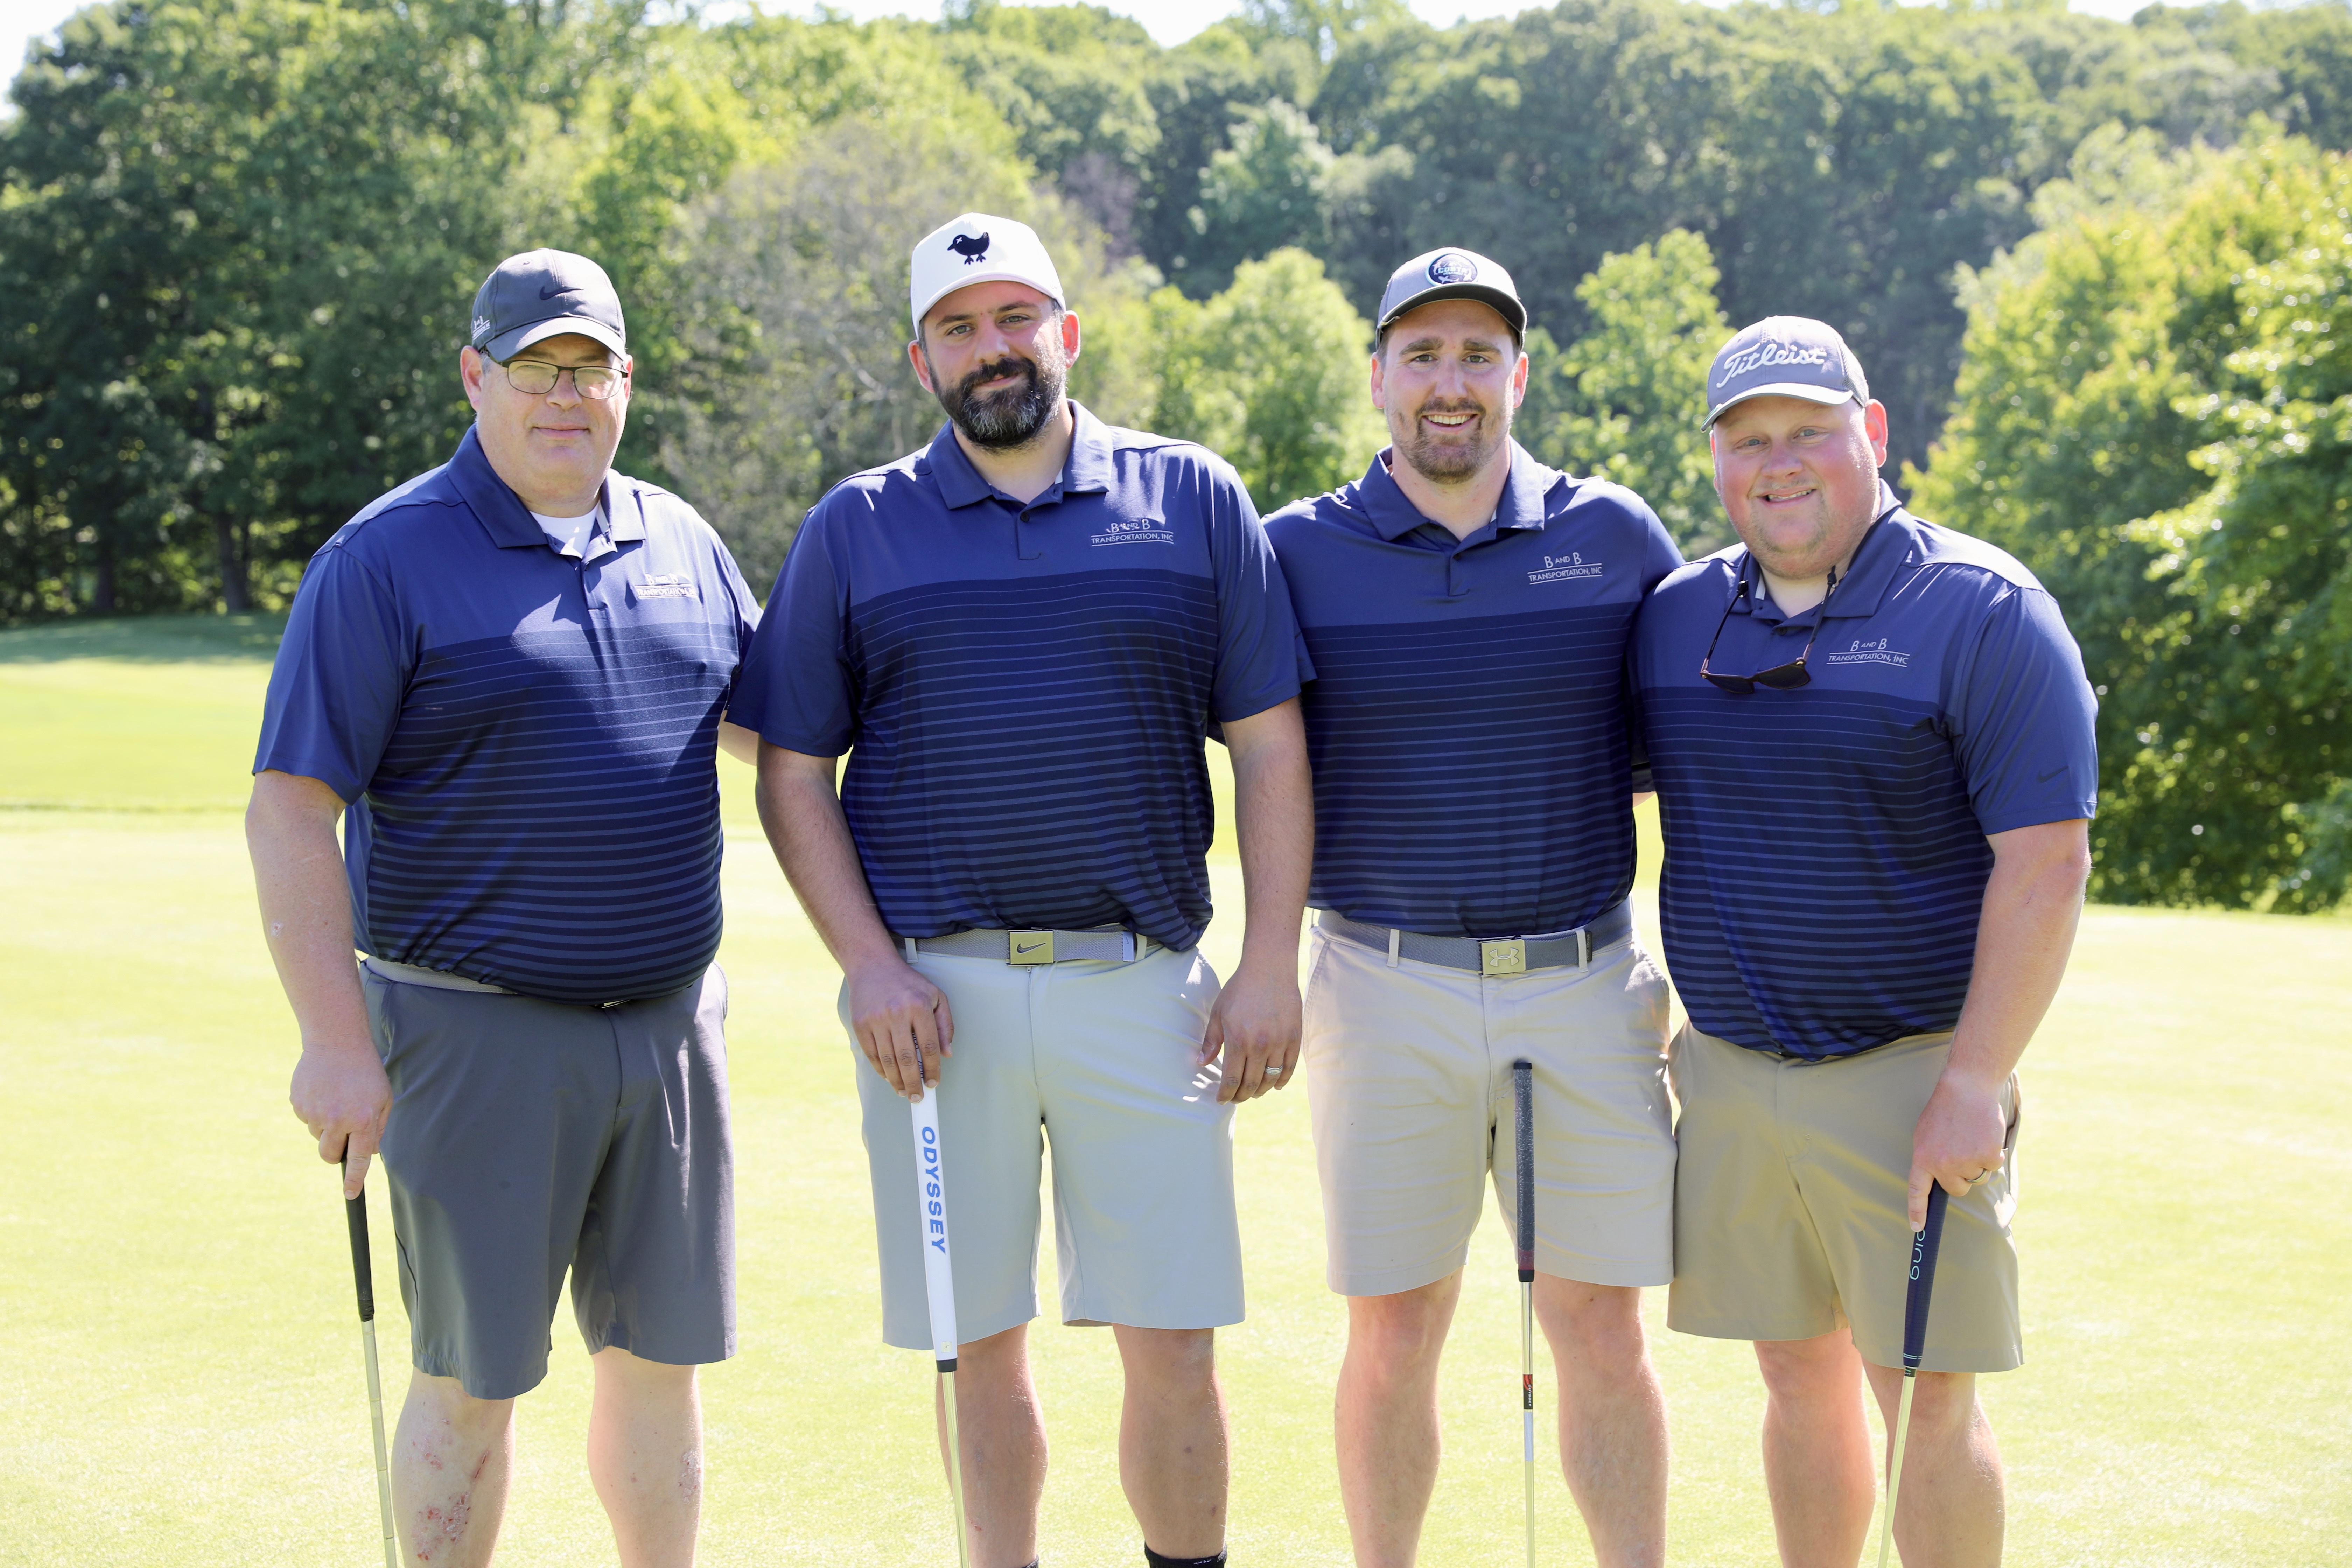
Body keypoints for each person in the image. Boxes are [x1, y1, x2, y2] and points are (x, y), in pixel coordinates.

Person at [730, 212, 1313, 1568]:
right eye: (957, 328)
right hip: (936, 1004)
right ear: (921, 359)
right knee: (977, 1343)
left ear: (1068, 331)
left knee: (1174, 1344)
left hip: (1146, 988)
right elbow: (792, 772)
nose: (990, 348)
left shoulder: (1193, 497)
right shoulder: (858, 525)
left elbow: (1273, 746)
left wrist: (1271, 960)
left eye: (1013, 318)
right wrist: (868, 965)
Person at [248, 249, 761, 1568]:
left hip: (669, 1030)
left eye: (590, 368)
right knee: (474, 1378)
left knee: (659, 1365)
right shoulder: (385, 559)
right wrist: (333, 1042)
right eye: (536, 367)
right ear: (476, 376)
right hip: (472, 1033)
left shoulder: (683, 541)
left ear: (626, 382)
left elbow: (783, 742)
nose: (564, 395)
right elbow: (291, 809)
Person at [1633, 317, 2098, 1567]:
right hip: (1732, 1073)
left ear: (1873, 434)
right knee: (1795, 1374)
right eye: (1748, 440)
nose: (1778, 463)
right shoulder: (1677, 616)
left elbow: (2048, 863)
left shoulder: (1985, 609)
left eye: (1809, 432)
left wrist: (1975, 1081)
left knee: (1924, 1392)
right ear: (1716, 459)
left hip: (1914, 1076)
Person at [1260, 248, 1685, 1568]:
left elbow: (1692, 762)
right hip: (1381, 985)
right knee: (1394, 1329)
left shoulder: (1616, 538)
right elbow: (1261, 767)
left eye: (1479, 356)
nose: (1452, 383)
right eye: (1425, 355)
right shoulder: (1292, 553)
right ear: (1379, 375)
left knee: (1600, 1326)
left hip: (1584, 982)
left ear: (1520, 374)